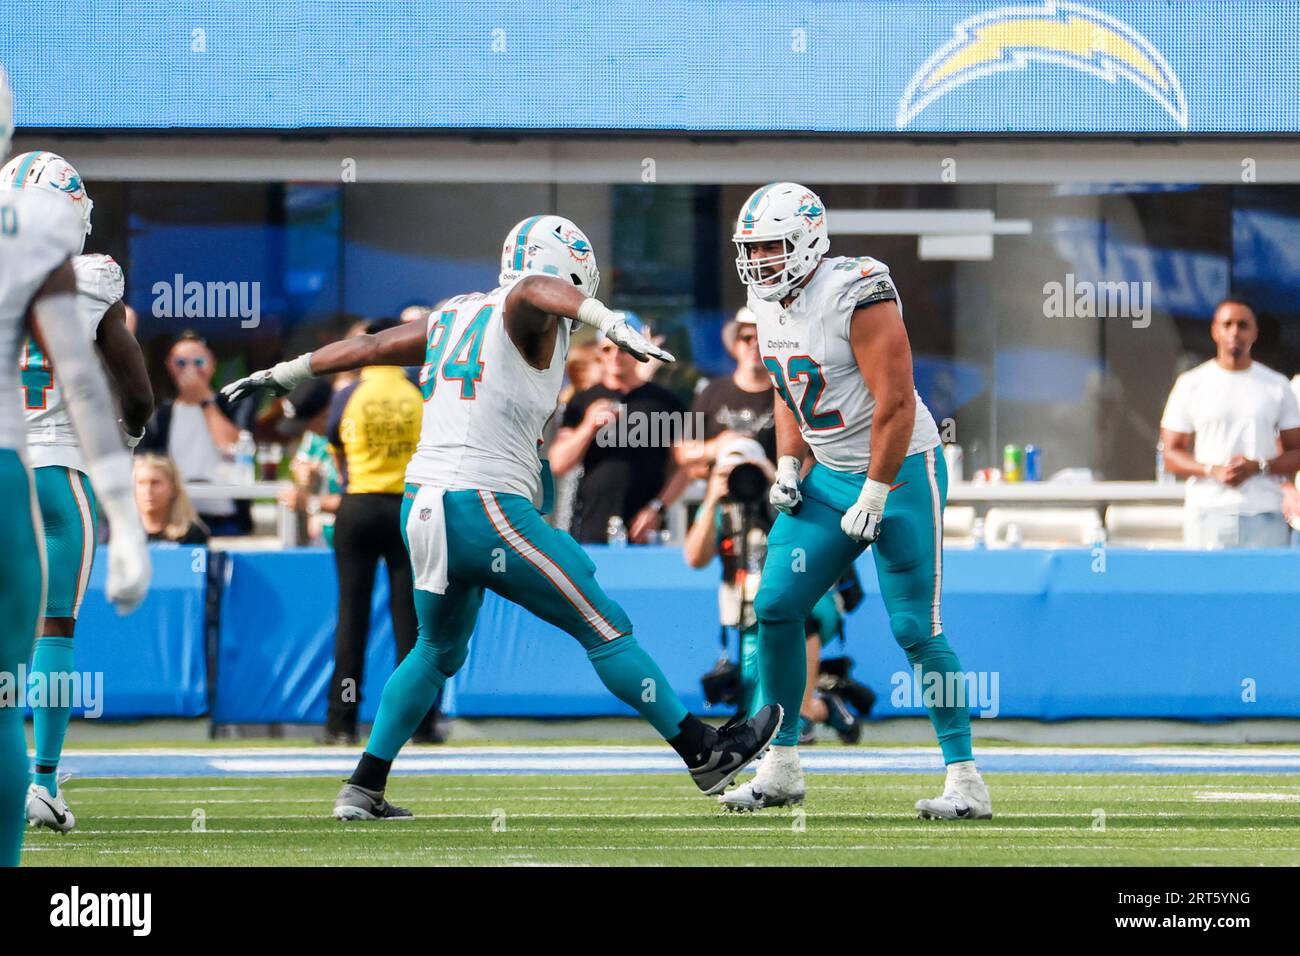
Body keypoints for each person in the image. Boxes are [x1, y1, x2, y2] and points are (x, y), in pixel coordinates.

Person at [224, 214, 781, 819]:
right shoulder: (525, 304)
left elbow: (373, 348)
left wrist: (289, 370)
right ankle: (703, 751)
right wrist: (610, 322)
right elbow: (532, 291)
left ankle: (363, 786)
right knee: (602, 620)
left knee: (435, 651)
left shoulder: (453, 314)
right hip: (482, 501)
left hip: (425, 504)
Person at [718, 183, 990, 819]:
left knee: (915, 629)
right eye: (751, 249)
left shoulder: (858, 292)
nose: (759, 262)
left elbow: (894, 402)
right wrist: (790, 462)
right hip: (830, 471)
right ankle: (781, 764)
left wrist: (874, 490)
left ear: (809, 241)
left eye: (771, 247)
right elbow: (788, 390)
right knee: (777, 604)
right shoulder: (765, 302)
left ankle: (965, 775)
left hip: (900, 469)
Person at [0, 78, 150, 865]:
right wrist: (133, 430)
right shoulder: (92, 279)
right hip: (55, 478)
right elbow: (136, 388)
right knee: (51, 629)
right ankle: (44, 779)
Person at [684, 436, 868, 745]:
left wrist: (776, 481)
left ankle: (806, 714)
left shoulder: (783, 497)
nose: (740, 479)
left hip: (808, 603)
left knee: (797, 617)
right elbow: (694, 558)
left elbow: (809, 539)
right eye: (729, 471)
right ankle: (824, 706)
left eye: (745, 469)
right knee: (756, 709)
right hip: (745, 610)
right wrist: (713, 498)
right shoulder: (721, 507)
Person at [320, 317, 430, 745]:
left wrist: (352, 482)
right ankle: (418, 725)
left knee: (352, 618)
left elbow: (336, 447)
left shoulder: (349, 393)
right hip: (408, 508)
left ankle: (340, 724)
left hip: (359, 505)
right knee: (414, 623)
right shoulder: (419, 391)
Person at [1159, 299, 1300, 549]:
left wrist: (1258, 467)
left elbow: (1296, 451)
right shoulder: (1191, 384)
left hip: (1264, 513)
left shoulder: (1276, 386)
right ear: (1215, 330)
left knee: (1262, 589)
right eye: (1228, 324)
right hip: (1207, 510)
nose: (1235, 332)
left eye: (1243, 325)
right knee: (1206, 588)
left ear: (1254, 333)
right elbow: (1170, 453)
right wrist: (1211, 470)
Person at [548, 313, 686, 543]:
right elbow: (558, 463)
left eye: (623, 349)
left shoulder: (665, 401)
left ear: (637, 351)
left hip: (648, 531)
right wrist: (588, 426)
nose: (614, 356)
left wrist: (658, 507)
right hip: (590, 526)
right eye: (607, 349)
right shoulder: (582, 400)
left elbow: (686, 466)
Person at [138, 331, 252, 535]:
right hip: (176, 517)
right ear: (170, 366)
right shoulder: (161, 415)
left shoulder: (233, 403)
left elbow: (235, 447)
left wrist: (204, 400)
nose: (190, 369)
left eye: (198, 361)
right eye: (181, 362)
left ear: (212, 363)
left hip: (224, 516)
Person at [134, 455, 209, 544]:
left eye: (155, 483)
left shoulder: (192, 533)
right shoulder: (119, 532)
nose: (148, 491)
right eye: (141, 483)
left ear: (173, 487)